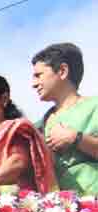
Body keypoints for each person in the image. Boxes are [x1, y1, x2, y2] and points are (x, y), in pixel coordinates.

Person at [32, 42, 98, 195]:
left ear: (62, 71)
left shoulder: (94, 106)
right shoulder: (37, 127)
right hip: (57, 211)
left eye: (38, 75)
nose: (33, 84)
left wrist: (75, 138)